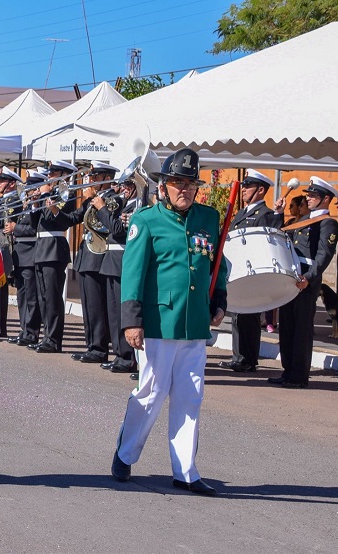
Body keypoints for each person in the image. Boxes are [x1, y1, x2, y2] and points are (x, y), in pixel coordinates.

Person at [111, 148, 228, 496]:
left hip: (193, 324)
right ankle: (125, 453)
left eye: (190, 184)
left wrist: (219, 299)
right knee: (151, 393)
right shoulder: (146, 221)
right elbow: (132, 275)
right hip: (158, 323)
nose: (184, 190)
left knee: (191, 396)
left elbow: (217, 265)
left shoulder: (208, 218)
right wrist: (132, 321)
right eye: (177, 183)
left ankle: (186, 471)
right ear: (163, 186)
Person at [268, 177, 338, 389]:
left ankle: (298, 376)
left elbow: (323, 255)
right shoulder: (305, 219)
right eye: (308, 194)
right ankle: (287, 371)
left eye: (313, 195)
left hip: (306, 282)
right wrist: (279, 214)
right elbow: (278, 236)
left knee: (301, 332)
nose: (308, 197)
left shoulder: (328, 223)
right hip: (291, 279)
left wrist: (309, 278)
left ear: (326, 199)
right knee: (287, 328)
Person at [218, 169, 280, 373]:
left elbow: (273, 237)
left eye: (248, 186)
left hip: (253, 272)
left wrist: (279, 215)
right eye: (243, 186)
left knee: (250, 317)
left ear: (260, 190)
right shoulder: (243, 212)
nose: (243, 190)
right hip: (238, 269)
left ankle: (249, 358)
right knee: (237, 314)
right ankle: (239, 356)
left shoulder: (266, 214)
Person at [69, 162, 120, 364]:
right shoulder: (93, 200)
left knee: (98, 307)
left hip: (99, 257)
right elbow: (73, 218)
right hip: (86, 257)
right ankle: (92, 345)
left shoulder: (113, 200)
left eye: (95, 177)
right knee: (90, 306)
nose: (90, 181)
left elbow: (106, 227)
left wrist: (98, 205)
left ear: (105, 178)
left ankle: (99, 348)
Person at [30, 161, 78, 353]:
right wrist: (34, 203)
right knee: (43, 297)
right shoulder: (49, 195)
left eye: (53, 173)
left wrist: (44, 195)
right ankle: (46, 336)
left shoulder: (67, 194)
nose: (49, 177)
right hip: (42, 248)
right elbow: (36, 223)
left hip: (54, 249)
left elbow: (53, 220)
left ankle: (54, 339)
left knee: (53, 297)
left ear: (64, 174)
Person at [96, 178, 140, 375]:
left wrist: (102, 209)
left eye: (128, 185)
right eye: (123, 185)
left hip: (123, 259)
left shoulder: (138, 206)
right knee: (113, 313)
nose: (124, 188)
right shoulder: (122, 203)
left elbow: (118, 230)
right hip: (112, 259)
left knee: (123, 312)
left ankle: (128, 357)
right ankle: (120, 354)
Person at [5, 168, 45, 347]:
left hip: (30, 253)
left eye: (30, 189)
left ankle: (32, 332)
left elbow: (33, 230)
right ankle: (24, 330)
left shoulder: (37, 207)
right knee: (21, 295)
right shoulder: (26, 206)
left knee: (31, 297)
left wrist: (15, 228)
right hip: (20, 254)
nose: (27, 192)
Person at [0, 167, 22, 337]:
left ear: (11, 183)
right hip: (0, 247)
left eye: (2, 181)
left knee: (3, 289)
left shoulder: (15, 201)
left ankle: (0, 327)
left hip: (12, 248)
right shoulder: (0, 201)